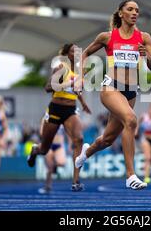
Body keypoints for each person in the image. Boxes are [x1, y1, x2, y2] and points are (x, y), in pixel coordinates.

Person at [75, 0, 151, 190]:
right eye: (130, 9)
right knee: (131, 120)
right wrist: (79, 77)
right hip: (111, 88)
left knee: (108, 139)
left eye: (137, 10)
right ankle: (130, 176)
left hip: (131, 92)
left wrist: (147, 56)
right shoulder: (107, 37)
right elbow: (84, 54)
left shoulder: (144, 37)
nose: (135, 13)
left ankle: (85, 153)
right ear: (121, 13)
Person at [27, 43, 91, 192]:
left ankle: (76, 181)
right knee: (44, 148)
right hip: (56, 108)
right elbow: (47, 87)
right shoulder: (62, 68)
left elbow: (76, 90)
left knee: (79, 139)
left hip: (70, 109)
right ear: (67, 54)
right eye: (73, 51)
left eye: (78, 51)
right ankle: (35, 150)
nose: (76, 54)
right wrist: (64, 84)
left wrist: (83, 103)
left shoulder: (80, 72)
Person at [38, 118, 67, 194]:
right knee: (49, 169)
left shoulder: (64, 117)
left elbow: (69, 131)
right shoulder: (46, 118)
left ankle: (54, 164)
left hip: (59, 145)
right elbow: (41, 132)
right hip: (49, 145)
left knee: (62, 163)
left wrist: (70, 143)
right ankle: (47, 186)